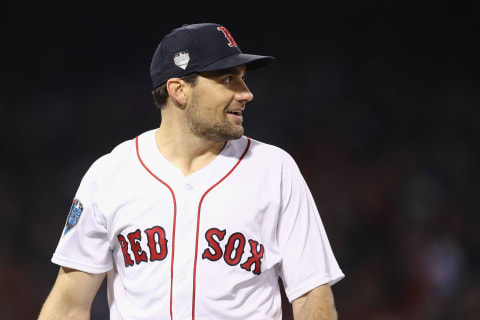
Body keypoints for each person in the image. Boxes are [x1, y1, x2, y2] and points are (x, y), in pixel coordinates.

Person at [38, 23, 344, 320]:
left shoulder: (275, 170)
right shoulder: (109, 175)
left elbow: (311, 296)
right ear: (179, 91)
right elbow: (67, 306)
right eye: (228, 80)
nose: (246, 93)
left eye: (242, 78)